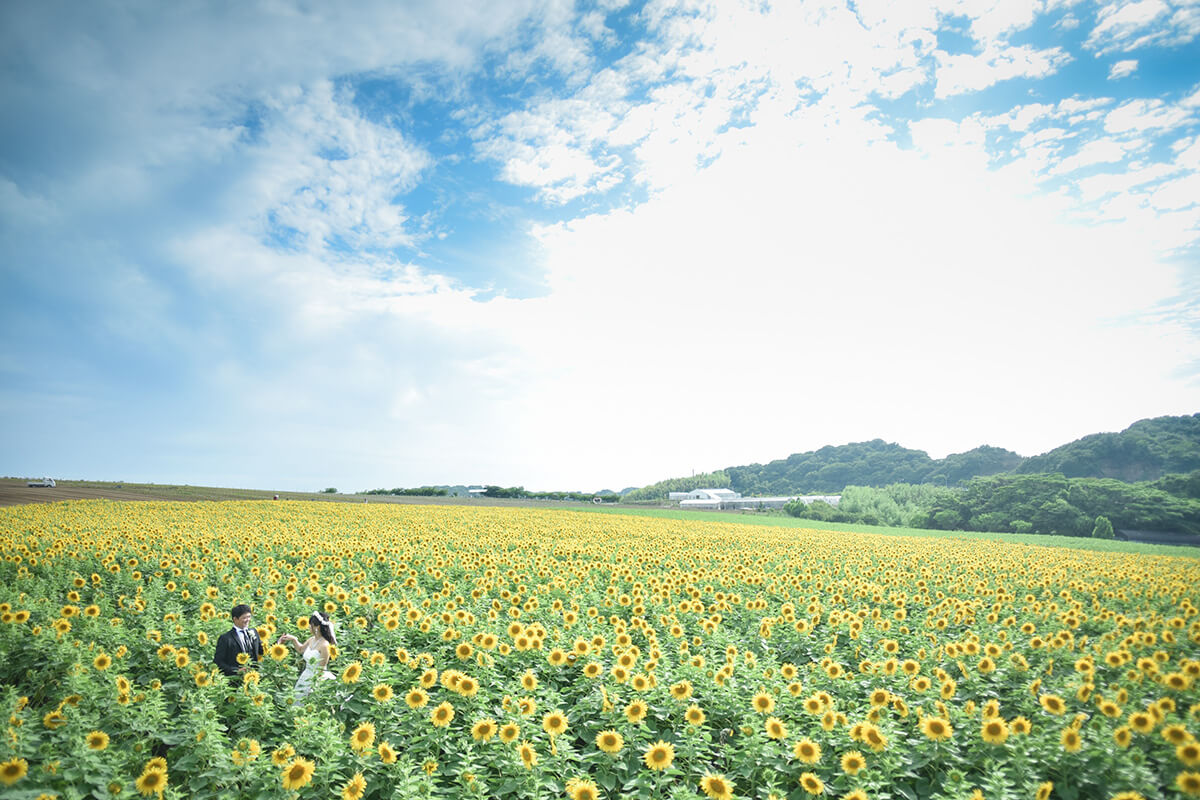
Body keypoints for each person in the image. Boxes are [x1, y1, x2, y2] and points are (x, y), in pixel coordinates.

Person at [278, 612, 336, 698]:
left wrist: (314, 687)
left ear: (317, 627)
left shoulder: (325, 645)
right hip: (306, 675)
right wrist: (293, 639)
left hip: (317, 678)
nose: (309, 627)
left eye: (310, 625)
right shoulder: (312, 639)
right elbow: (301, 649)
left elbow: (321, 669)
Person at [214, 604, 263, 677]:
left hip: (254, 676)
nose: (248, 620)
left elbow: (261, 651)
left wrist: (279, 642)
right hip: (235, 680)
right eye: (244, 618)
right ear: (235, 619)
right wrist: (236, 670)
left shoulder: (253, 632)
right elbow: (218, 662)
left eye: (249, 617)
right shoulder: (226, 638)